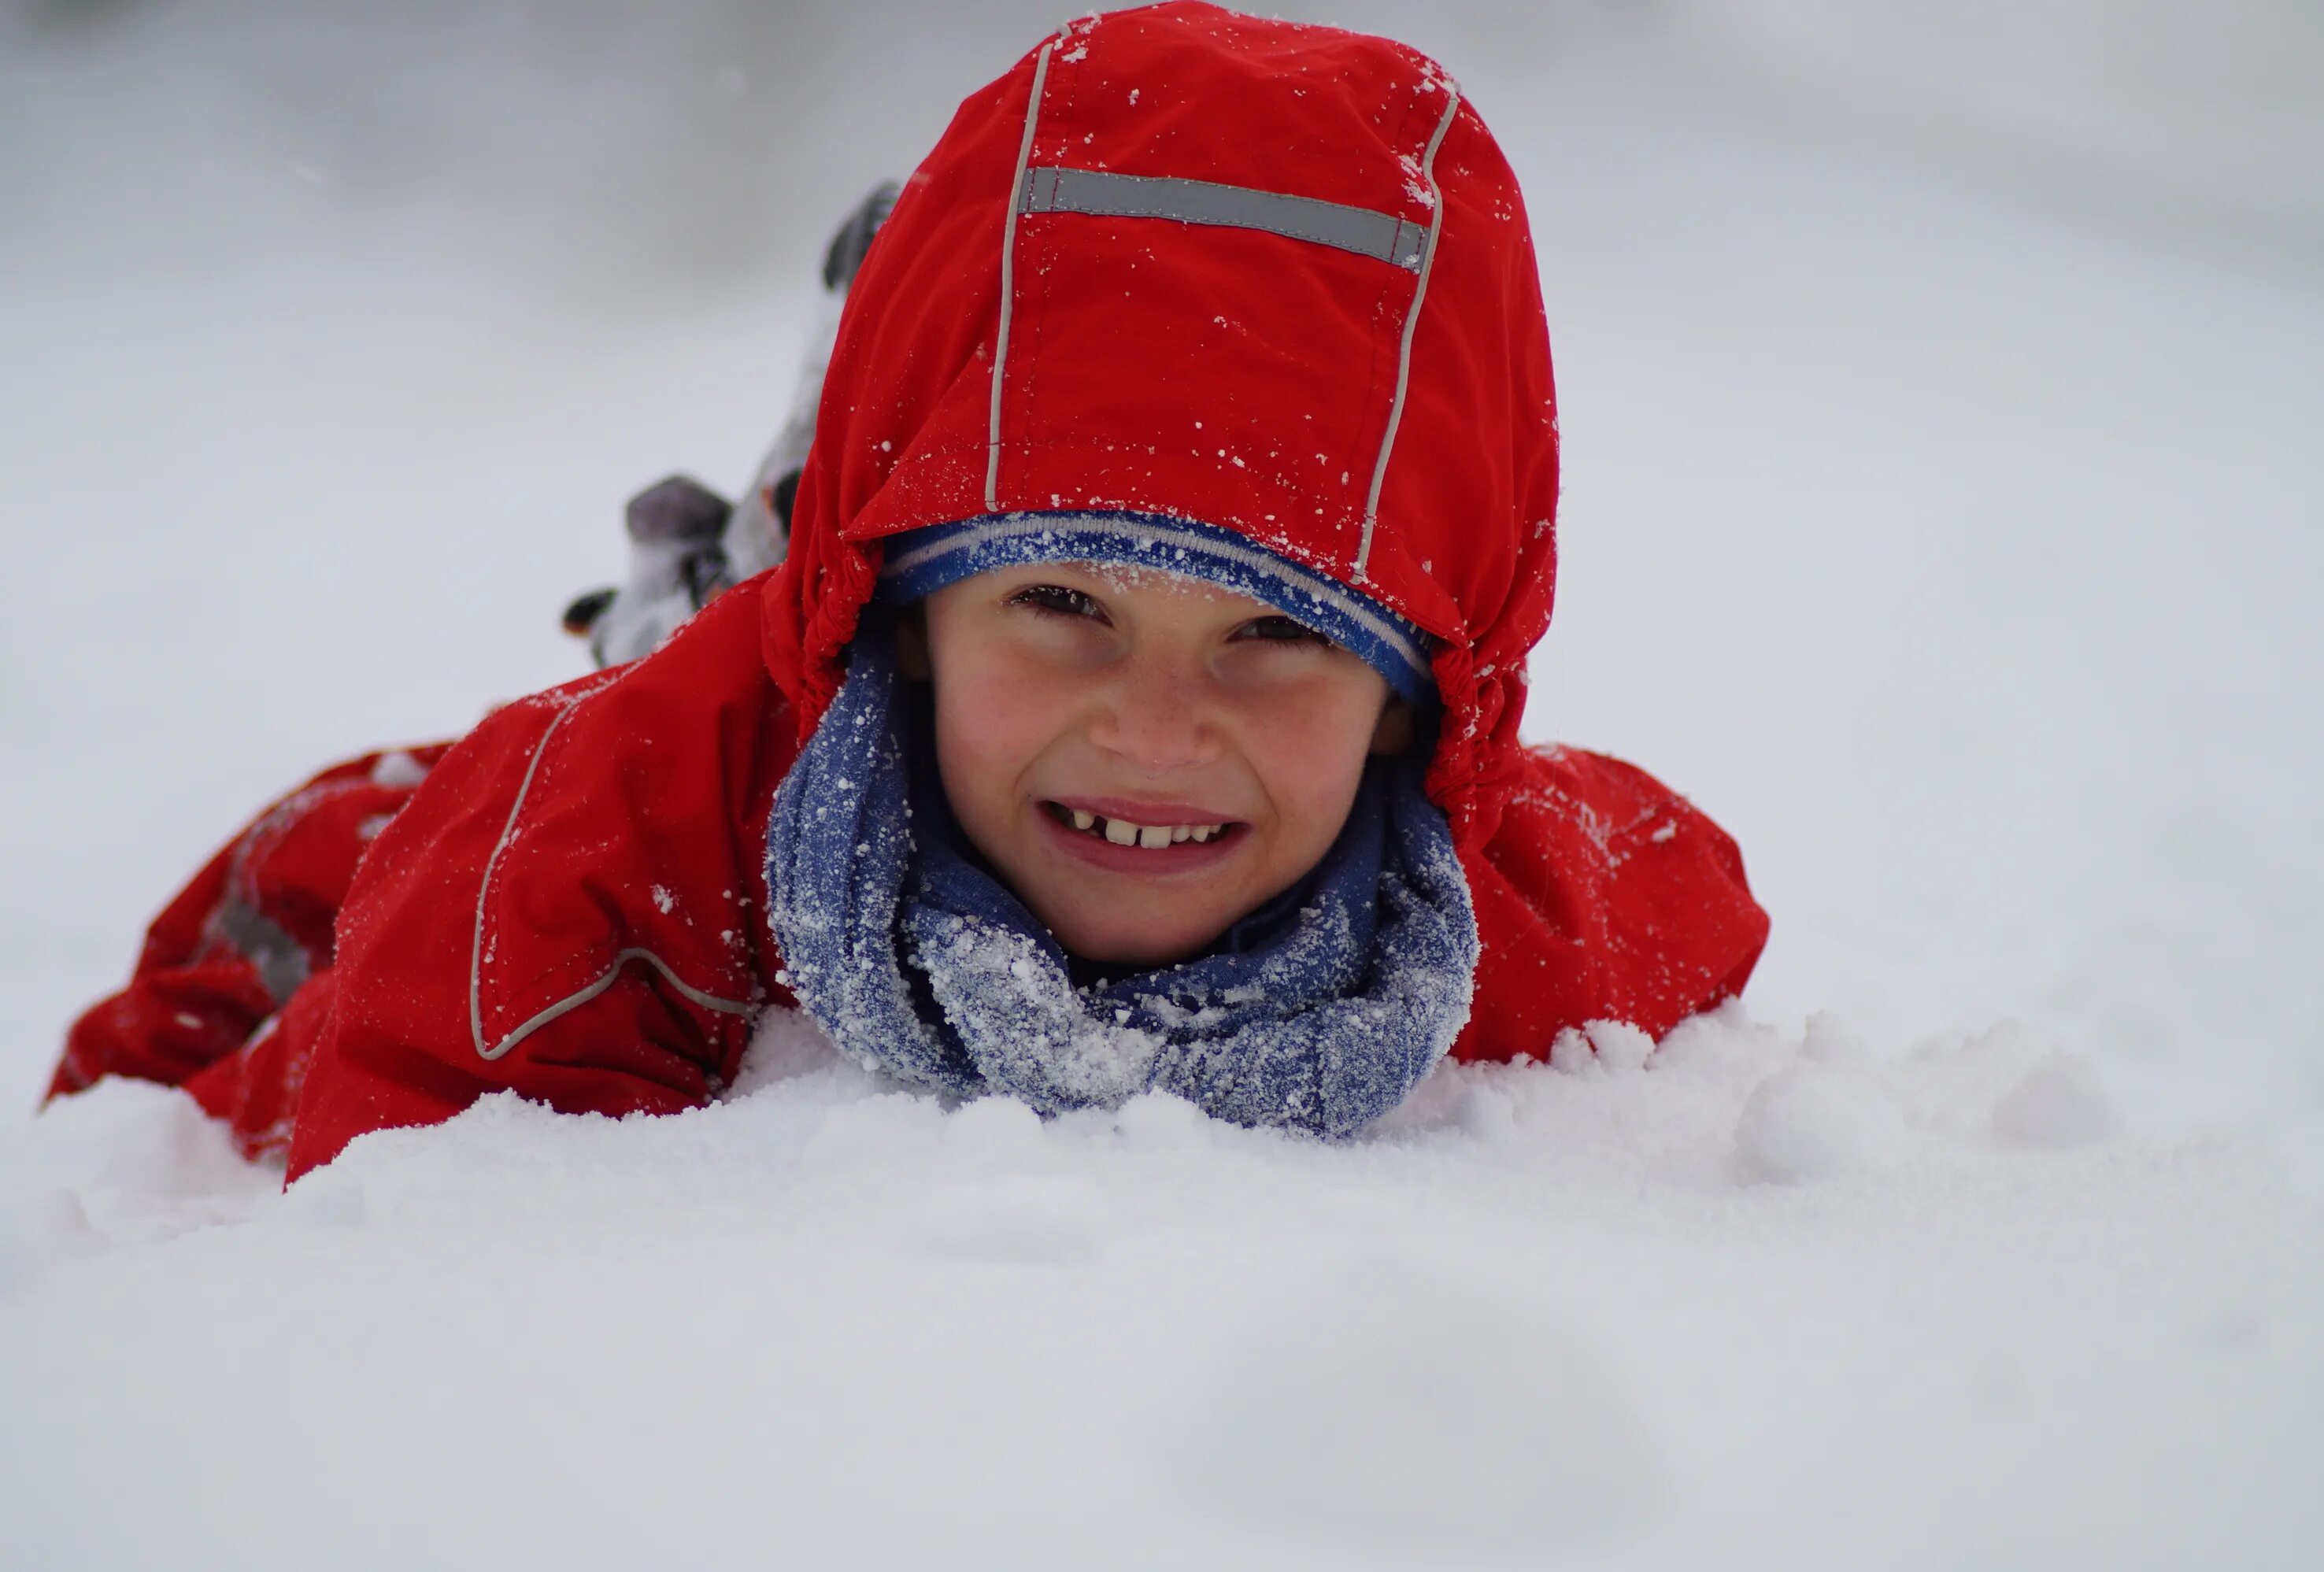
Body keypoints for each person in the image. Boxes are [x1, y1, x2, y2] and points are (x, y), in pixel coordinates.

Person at [46, 1, 1770, 1180]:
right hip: (707, 748)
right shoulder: (580, 868)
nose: (1159, 726)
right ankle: (801, 533)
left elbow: (1689, 898)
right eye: (1062, 607)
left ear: (1418, 704)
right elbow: (392, 1258)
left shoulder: (1488, 927)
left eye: (1278, 636)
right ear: (905, 626)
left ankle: (902, 477)